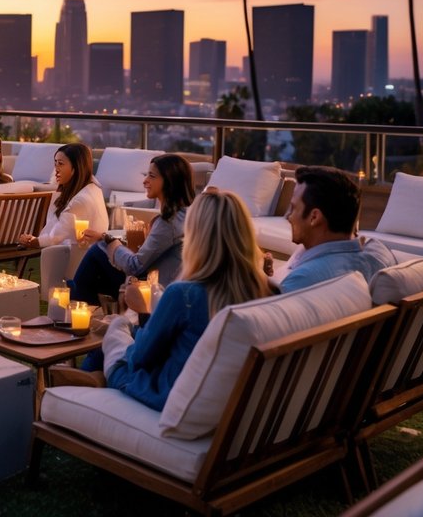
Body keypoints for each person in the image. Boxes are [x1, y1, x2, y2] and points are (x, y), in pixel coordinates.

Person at [99, 189, 273, 410]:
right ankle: (89, 375)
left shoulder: (185, 295)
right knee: (130, 332)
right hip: (226, 401)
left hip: (165, 394)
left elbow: (140, 359)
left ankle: (92, 380)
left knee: (117, 326)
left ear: (196, 237)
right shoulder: (264, 292)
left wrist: (143, 312)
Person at [275, 165, 423, 291]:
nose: (287, 216)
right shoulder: (377, 254)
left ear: (315, 217)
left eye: (293, 208)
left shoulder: (303, 280)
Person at [70, 154, 196, 305]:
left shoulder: (168, 223)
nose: (145, 181)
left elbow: (134, 266)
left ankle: (77, 305)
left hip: (155, 289)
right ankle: (79, 301)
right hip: (165, 283)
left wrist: (108, 240)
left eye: (152, 176)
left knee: (97, 252)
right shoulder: (186, 214)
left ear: (169, 181)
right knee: (93, 272)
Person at [16, 143, 107, 260]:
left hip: (80, 259)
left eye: (61, 164)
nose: (56, 170)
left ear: (76, 167)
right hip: (89, 254)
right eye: (55, 163)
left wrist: (32, 241)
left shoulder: (79, 201)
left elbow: (56, 237)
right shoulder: (93, 188)